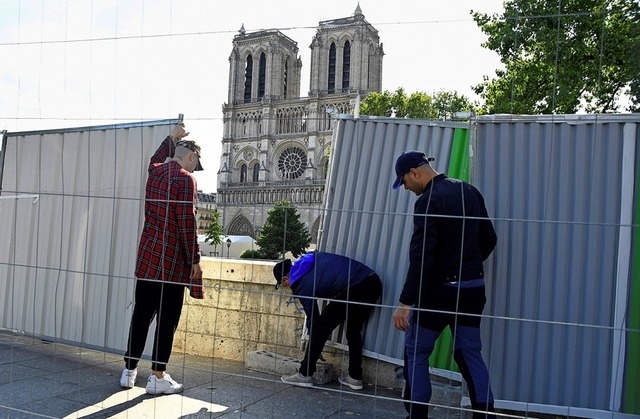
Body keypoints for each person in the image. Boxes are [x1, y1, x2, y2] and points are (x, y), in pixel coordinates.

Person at [391, 151, 497, 419]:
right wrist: (467, 266)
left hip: (439, 291)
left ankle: (417, 415)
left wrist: (405, 303)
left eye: (403, 181)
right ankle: (485, 415)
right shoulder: (469, 191)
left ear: (415, 173)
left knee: (416, 351)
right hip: (473, 288)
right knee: (468, 352)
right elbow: (490, 239)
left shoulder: (428, 201)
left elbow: (421, 256)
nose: (405, 187)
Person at [120, 123, 205, 395]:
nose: (194, 170)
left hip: (148, 257)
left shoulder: (155, 173)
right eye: (195, 164)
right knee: (167, 319)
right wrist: (195, 259)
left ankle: (129, 371)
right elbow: (187, 222)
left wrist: (171, 138)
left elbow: (155, 159)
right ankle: (157, 376)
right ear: (192, 157)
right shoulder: (186, 179)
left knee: (141, 315)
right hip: (171, 262)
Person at [273, 251, 382, 390]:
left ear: (284, 279)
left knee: (320, 328)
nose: (287, 287)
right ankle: (355, 377)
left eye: (284, 285)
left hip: (354, 286)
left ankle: (304, 375)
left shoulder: (301, 283)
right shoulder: (309, 260)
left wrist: (315, 345)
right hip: (373, 283)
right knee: (353, 331)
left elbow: (313, 319)